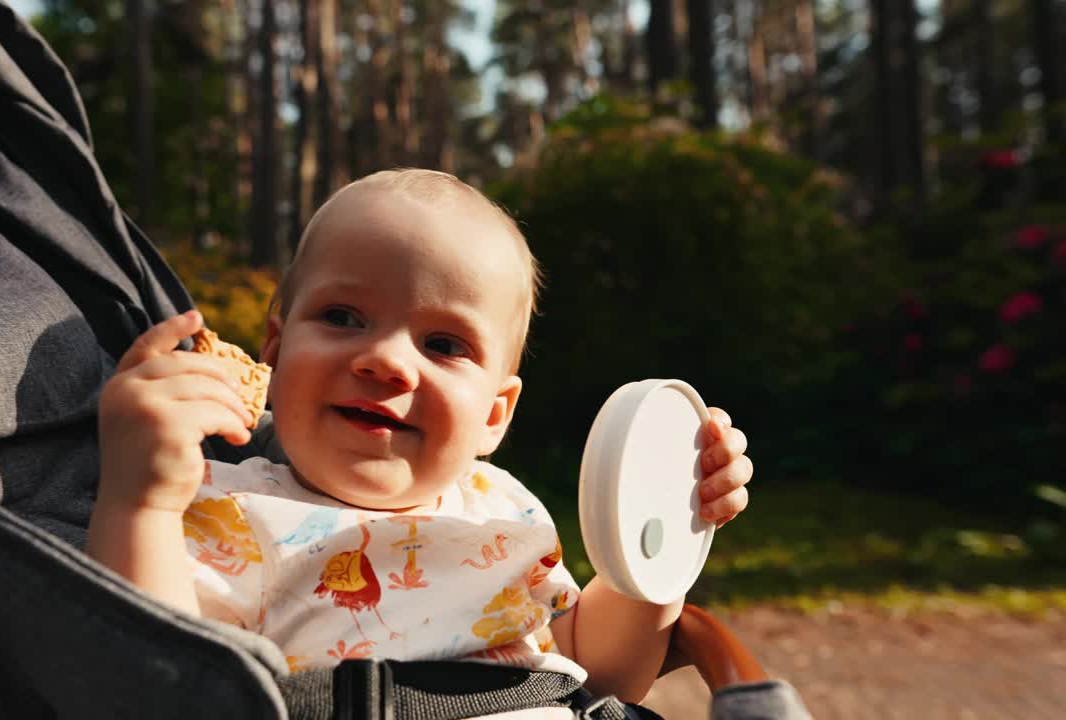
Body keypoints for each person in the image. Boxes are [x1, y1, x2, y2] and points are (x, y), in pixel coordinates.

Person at [85, 168, 753, 703]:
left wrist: (658, 552)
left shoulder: (500, 508)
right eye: (344, 316)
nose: (387, 360)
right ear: (275, 352)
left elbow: (592, 669)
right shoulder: (231, 516)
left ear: (494, 414)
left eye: (442, 343)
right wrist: (139, 503)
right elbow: (152, 684)